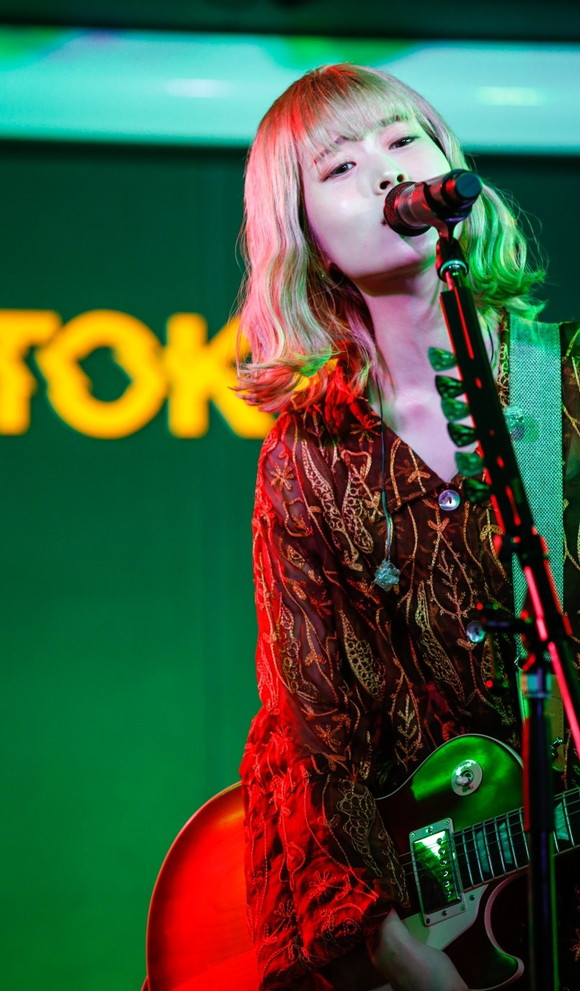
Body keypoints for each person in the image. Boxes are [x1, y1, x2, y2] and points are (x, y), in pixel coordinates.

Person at [236, 64, 579, 991]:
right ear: (306, 235)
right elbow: (311, 739)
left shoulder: (563, 385)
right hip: (432, 928)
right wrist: (398, 949)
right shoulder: (307, 456)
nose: (388, 172)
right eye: (340, 166)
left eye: (402, 141)